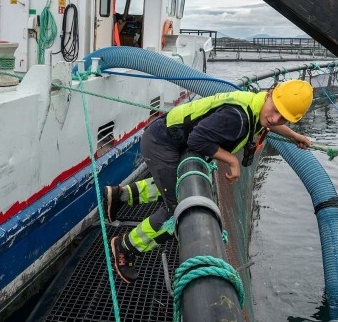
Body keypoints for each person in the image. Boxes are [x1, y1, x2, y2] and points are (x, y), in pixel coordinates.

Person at [104, 79, 314, 283]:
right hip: (162, 143)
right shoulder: (237, 117)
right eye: (276, 109)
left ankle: (120, 195)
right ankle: (125, 247)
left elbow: (269, 121)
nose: (276, 119)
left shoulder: (256, 105)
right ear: (270, 94)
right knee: (177, 210)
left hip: (166, 135)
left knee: (173, 183)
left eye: (284, 118)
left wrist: (294, 136)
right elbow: (197, 140)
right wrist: (232, 160)